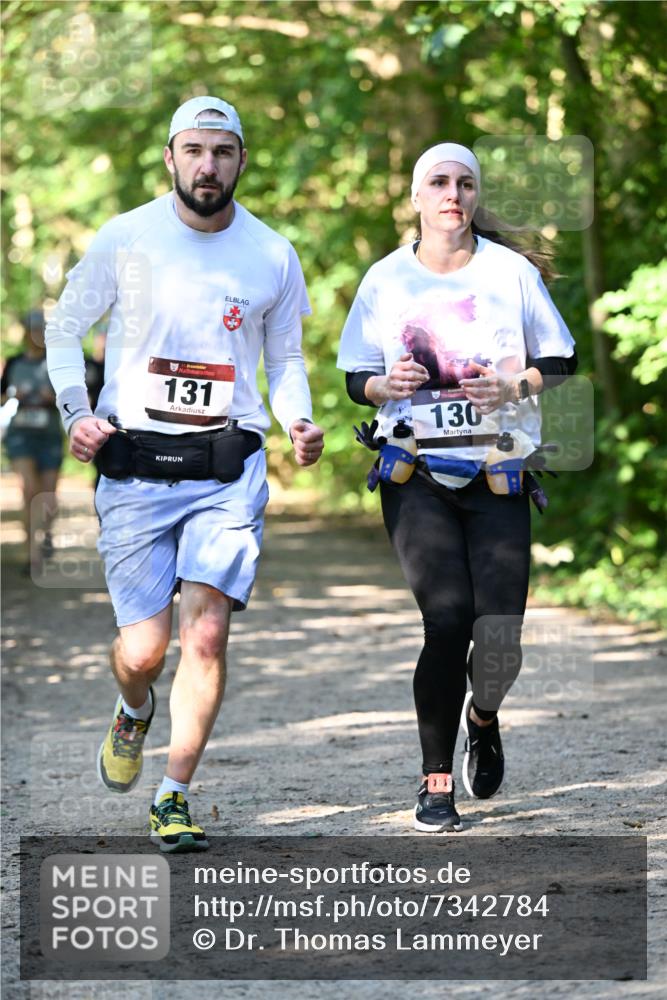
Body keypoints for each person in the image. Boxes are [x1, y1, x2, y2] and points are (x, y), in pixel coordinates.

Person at [46, 96, 324, 852]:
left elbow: (286, 358)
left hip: (225, 466)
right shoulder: (126, 238)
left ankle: (173, 795)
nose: (208, 165)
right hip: (134, 465)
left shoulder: (270, 253)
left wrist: (296, 417)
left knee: (204, 637)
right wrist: (77, 411)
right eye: (194, 150)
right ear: (170, 156)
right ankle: (133, 708)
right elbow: (66, 327)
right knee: (143, 651)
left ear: (241, 160)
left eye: (223, 151)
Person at [337, 142, 577, 833]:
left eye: (464, 183)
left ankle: (484, 715)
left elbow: (560, 359)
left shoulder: (510, 274)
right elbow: (356, 378)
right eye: (438, 182)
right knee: (445, 622)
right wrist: (385, 385)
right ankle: (434, 782)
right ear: (415, 198)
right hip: (415, 475)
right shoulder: (383, 280)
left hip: (497, 473)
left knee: (498, 637)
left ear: (475, 197)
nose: (452, 193)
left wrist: (513, 385)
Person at [1, 309, 63, 574]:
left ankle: (46, 534)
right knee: (29, 491)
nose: (37, 335)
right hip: (21, 436)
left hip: (49, 436)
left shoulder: (57, 363)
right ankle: (32, 555)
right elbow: (2, 397)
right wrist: (16, 395)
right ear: (26, 333)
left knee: (47, 497)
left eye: (41, 330)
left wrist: (54, 397)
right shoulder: (15, 364)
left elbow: (72, 396)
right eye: (33, 330)